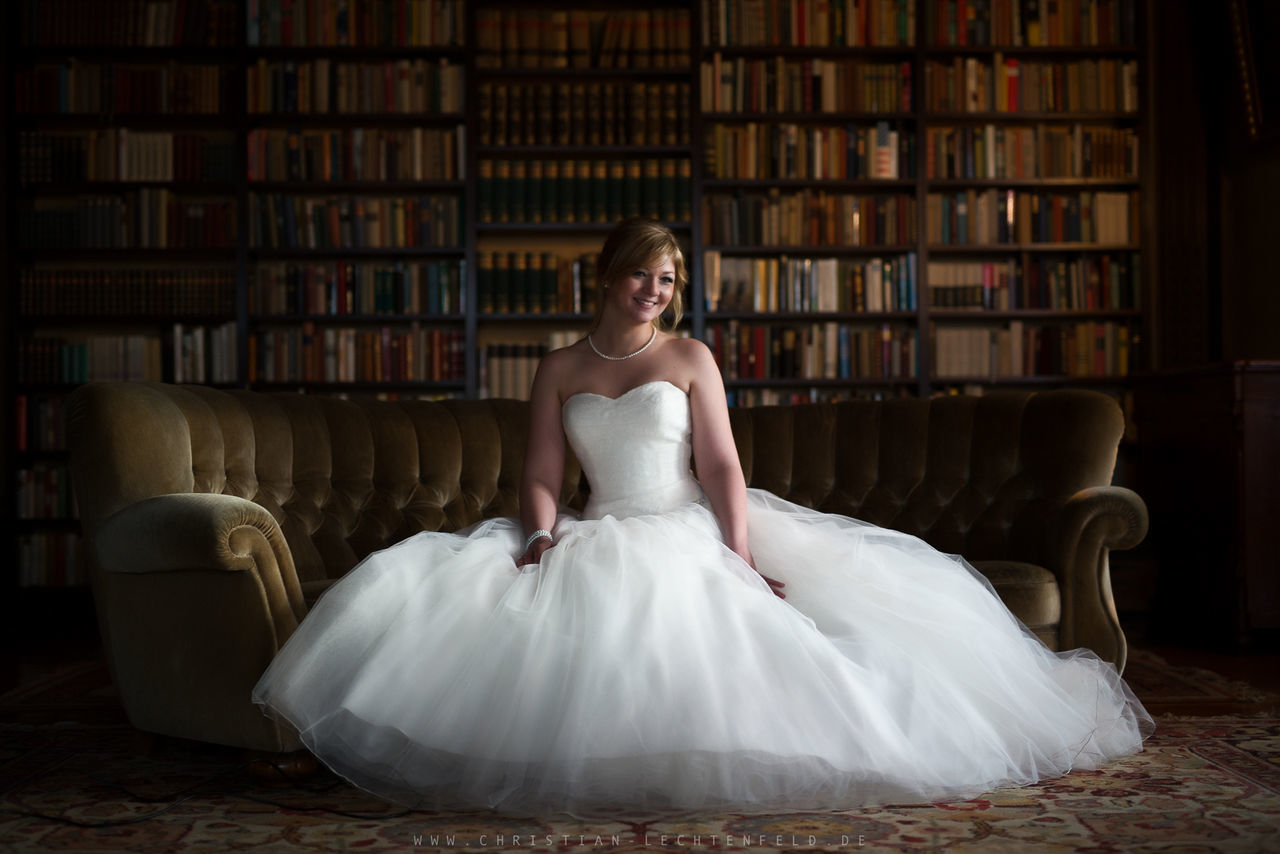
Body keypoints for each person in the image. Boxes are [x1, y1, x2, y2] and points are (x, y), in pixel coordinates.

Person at [252, 218, 1154, 819]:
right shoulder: (560, 366)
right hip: (596, 527)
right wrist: (537, 535)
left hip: (684, 522)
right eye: (641, 274)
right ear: (606, 276)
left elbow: (720, 464)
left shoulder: (689, 354)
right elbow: (538, 472)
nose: (654, 288)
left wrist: (740, 555)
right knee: (467, 609)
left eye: (667, 277)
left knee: (757, 640)